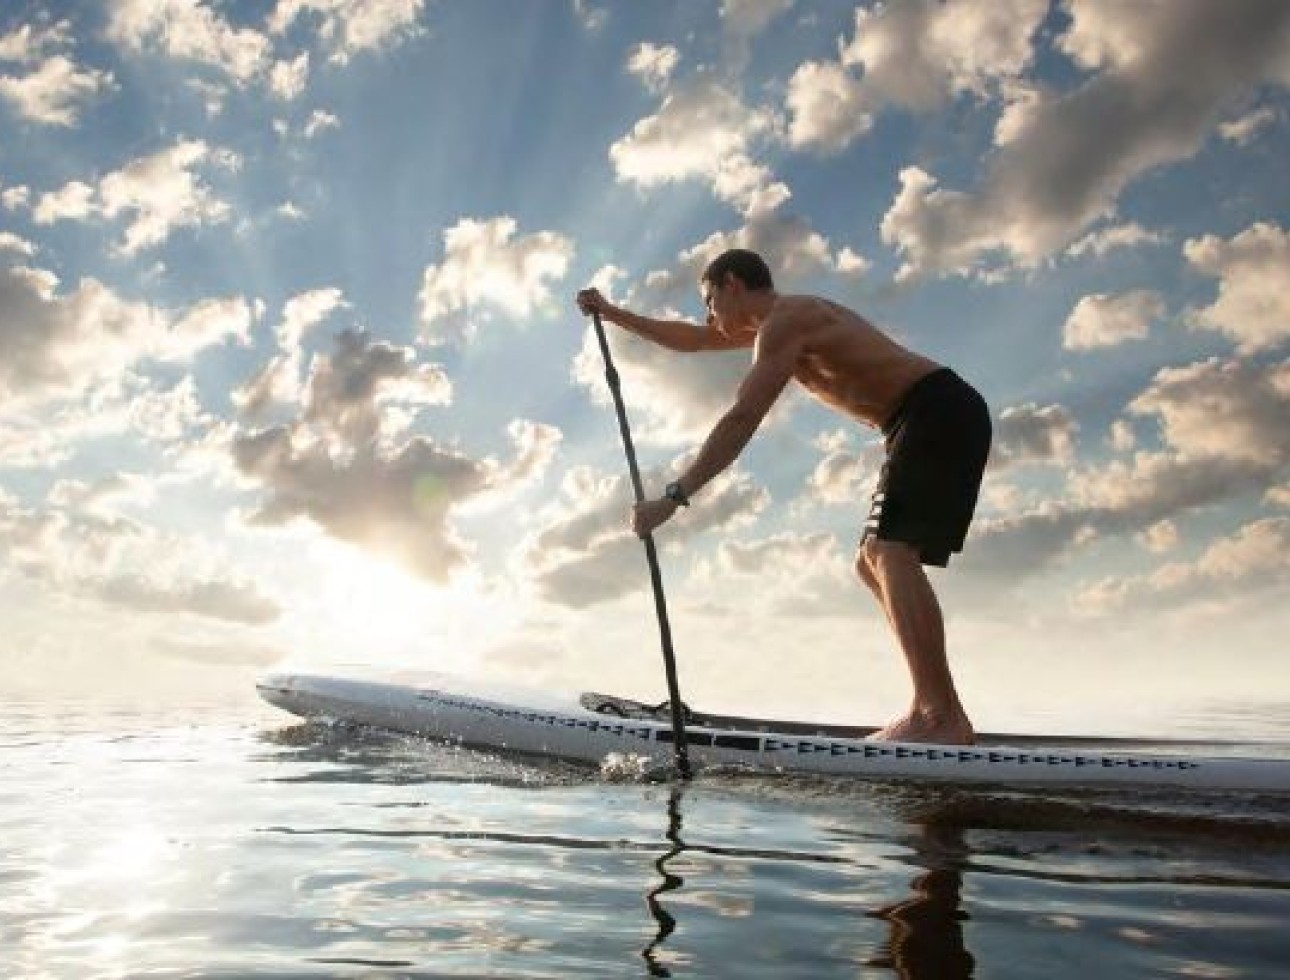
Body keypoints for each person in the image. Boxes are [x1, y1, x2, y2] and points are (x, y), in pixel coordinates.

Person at [575, 248, 990, 745]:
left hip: (935, 410)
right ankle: (937, 711)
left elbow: (742, 418)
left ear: (732, 283)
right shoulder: (777, 326)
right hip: (918, 419)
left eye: (710, 300)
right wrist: (613, 313)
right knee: (870, 560)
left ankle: (939, 716)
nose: (710, 316)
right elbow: (693, 339)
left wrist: (673, 497)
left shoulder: (788, 320)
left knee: (888, 551)